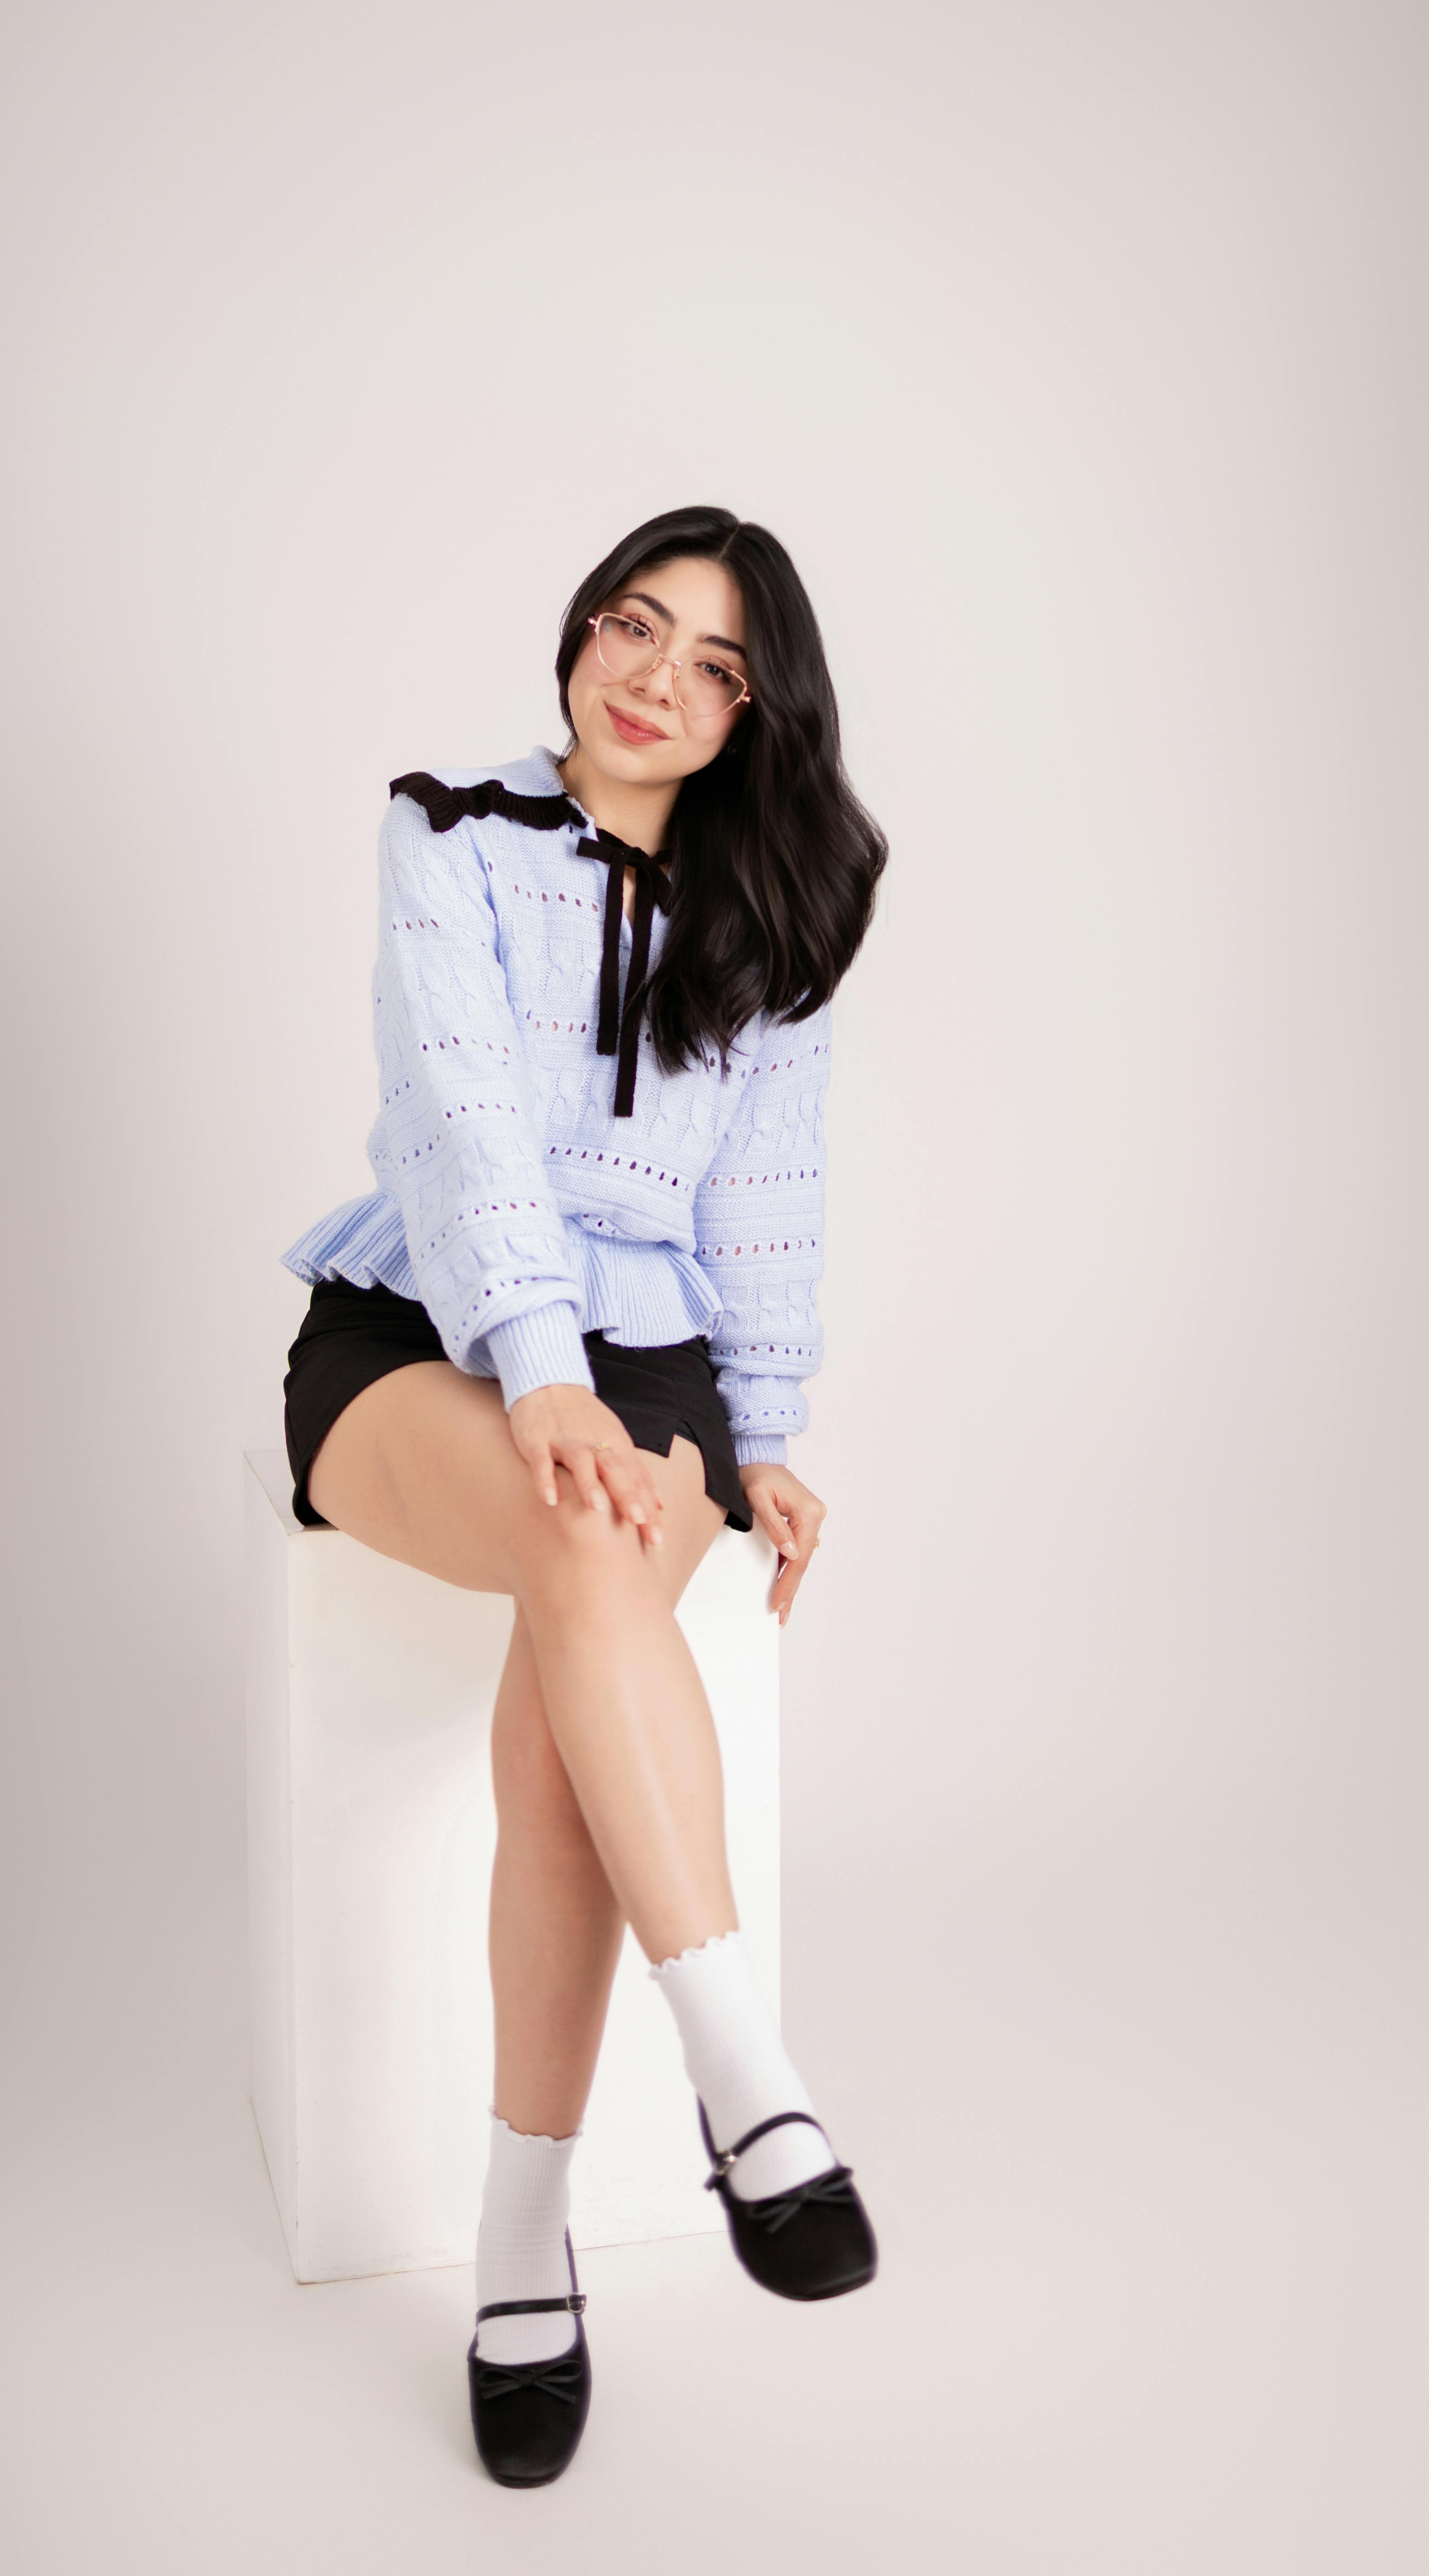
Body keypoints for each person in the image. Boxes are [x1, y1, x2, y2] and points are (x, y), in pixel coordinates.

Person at [278, 503, 888, 2486]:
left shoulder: (767, 917)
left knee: (568, 1720)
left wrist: (766, 1428)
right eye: (635, 627)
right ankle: (746, 2074)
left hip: (660, 1369)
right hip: (421, 1330)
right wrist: (537, 1369)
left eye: (712, 665)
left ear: (748, 715)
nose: (653, 679)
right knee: (572, 1523)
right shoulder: (446, 831)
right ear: (583, 630)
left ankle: (519, 2234)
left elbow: (762, 1205)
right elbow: (456, 1108)